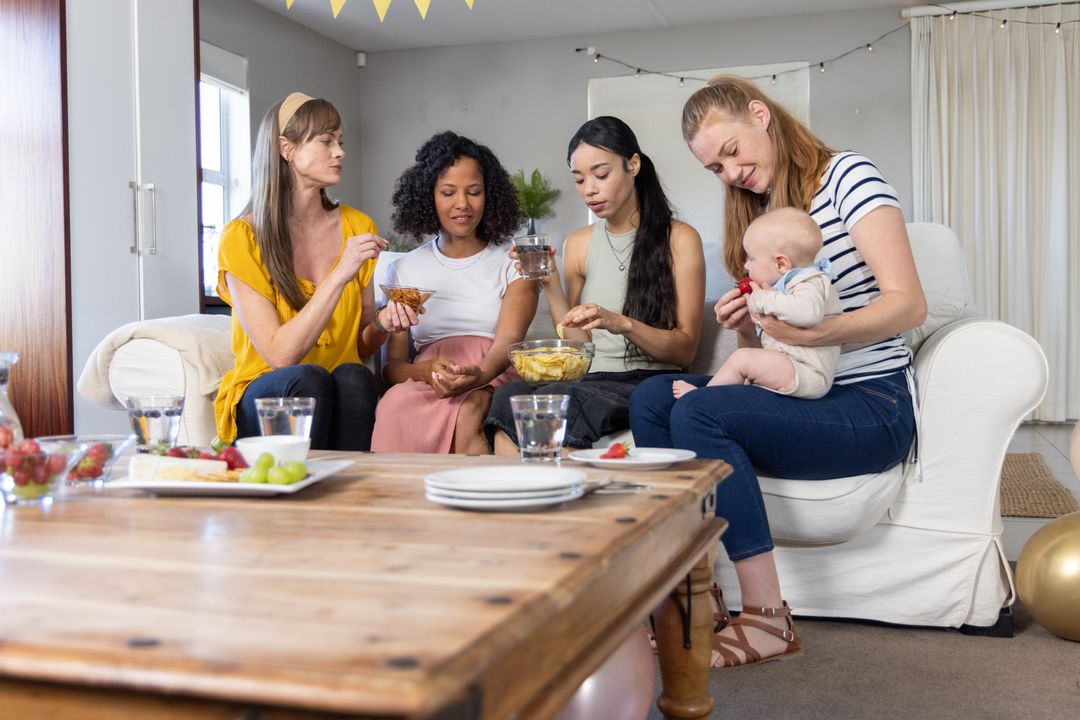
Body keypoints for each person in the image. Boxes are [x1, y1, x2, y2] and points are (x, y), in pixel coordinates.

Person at [630, 75, 927, 668]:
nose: (730, 173)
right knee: (652, 400)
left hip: (871, 404)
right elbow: (772, 350)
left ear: (761, 116)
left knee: (700, 407)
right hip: (801, 392)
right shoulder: (758, 214)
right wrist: (744, 327)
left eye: (732, 152)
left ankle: (768, 619)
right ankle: (696, 595)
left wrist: (822, 331)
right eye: (715, 168)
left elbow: (908, 304)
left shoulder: (847, 177)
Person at [484, 116, 705, 454]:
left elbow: (685, 349)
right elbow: (578, 344)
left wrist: (622, 323)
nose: (589, 189)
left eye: (601, 175)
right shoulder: (579, 243)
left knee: (566, 402)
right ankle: (517, 500)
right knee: (507, 397)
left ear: (633, 165)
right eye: (579, 179)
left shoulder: (679, 238)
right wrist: (551, 283)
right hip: (591, 378)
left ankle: (556, 498)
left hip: (647, 382)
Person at [213, 92, 417, 450]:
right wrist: (340, 272)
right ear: (286, 148)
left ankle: (349, 496)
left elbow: (358, 345)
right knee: (309, 378)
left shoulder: (357, 225)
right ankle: (299, 493)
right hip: (267, 394)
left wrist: (385, 325)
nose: (340, 152)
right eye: (326, 141)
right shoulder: (242, 238)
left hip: (337, 387)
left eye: (339, 141)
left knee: (354, 375)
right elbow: (281, 357)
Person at [370, 131, 535, 454]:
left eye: (474, 192)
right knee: (392, 404)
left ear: (489, 195)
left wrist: (478, 375)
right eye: (448, 192)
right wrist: (424, 371)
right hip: (429, 379)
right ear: (428, 197)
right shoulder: (405, 269)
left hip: (493, 372)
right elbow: (394, 367)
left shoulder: (513, 261)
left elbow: (509, 343)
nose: (463, 204)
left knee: (468, 412)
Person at [671, 207, 841, 400]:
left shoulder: (810, 281)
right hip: (793, 368)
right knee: (746, 370)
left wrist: (762, 299)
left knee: (742, 360)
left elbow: (809, 313)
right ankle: (717, 396)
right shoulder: (788, 287)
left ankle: (702, 398)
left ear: (781, 264)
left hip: (807, 373)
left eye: (751, 259)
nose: (745, 266)